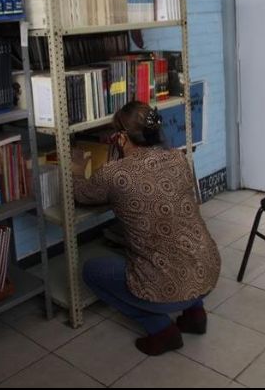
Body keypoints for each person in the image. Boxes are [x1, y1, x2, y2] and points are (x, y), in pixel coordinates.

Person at [73, 101, 221, 356]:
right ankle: (195, 314)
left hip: (165, 287)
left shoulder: (116, 174)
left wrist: (75, 166)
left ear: (120, 138)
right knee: (178, 243)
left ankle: (161, 330)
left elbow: (81, 194)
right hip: (208, 269)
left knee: (90, 271)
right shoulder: (178, 157)